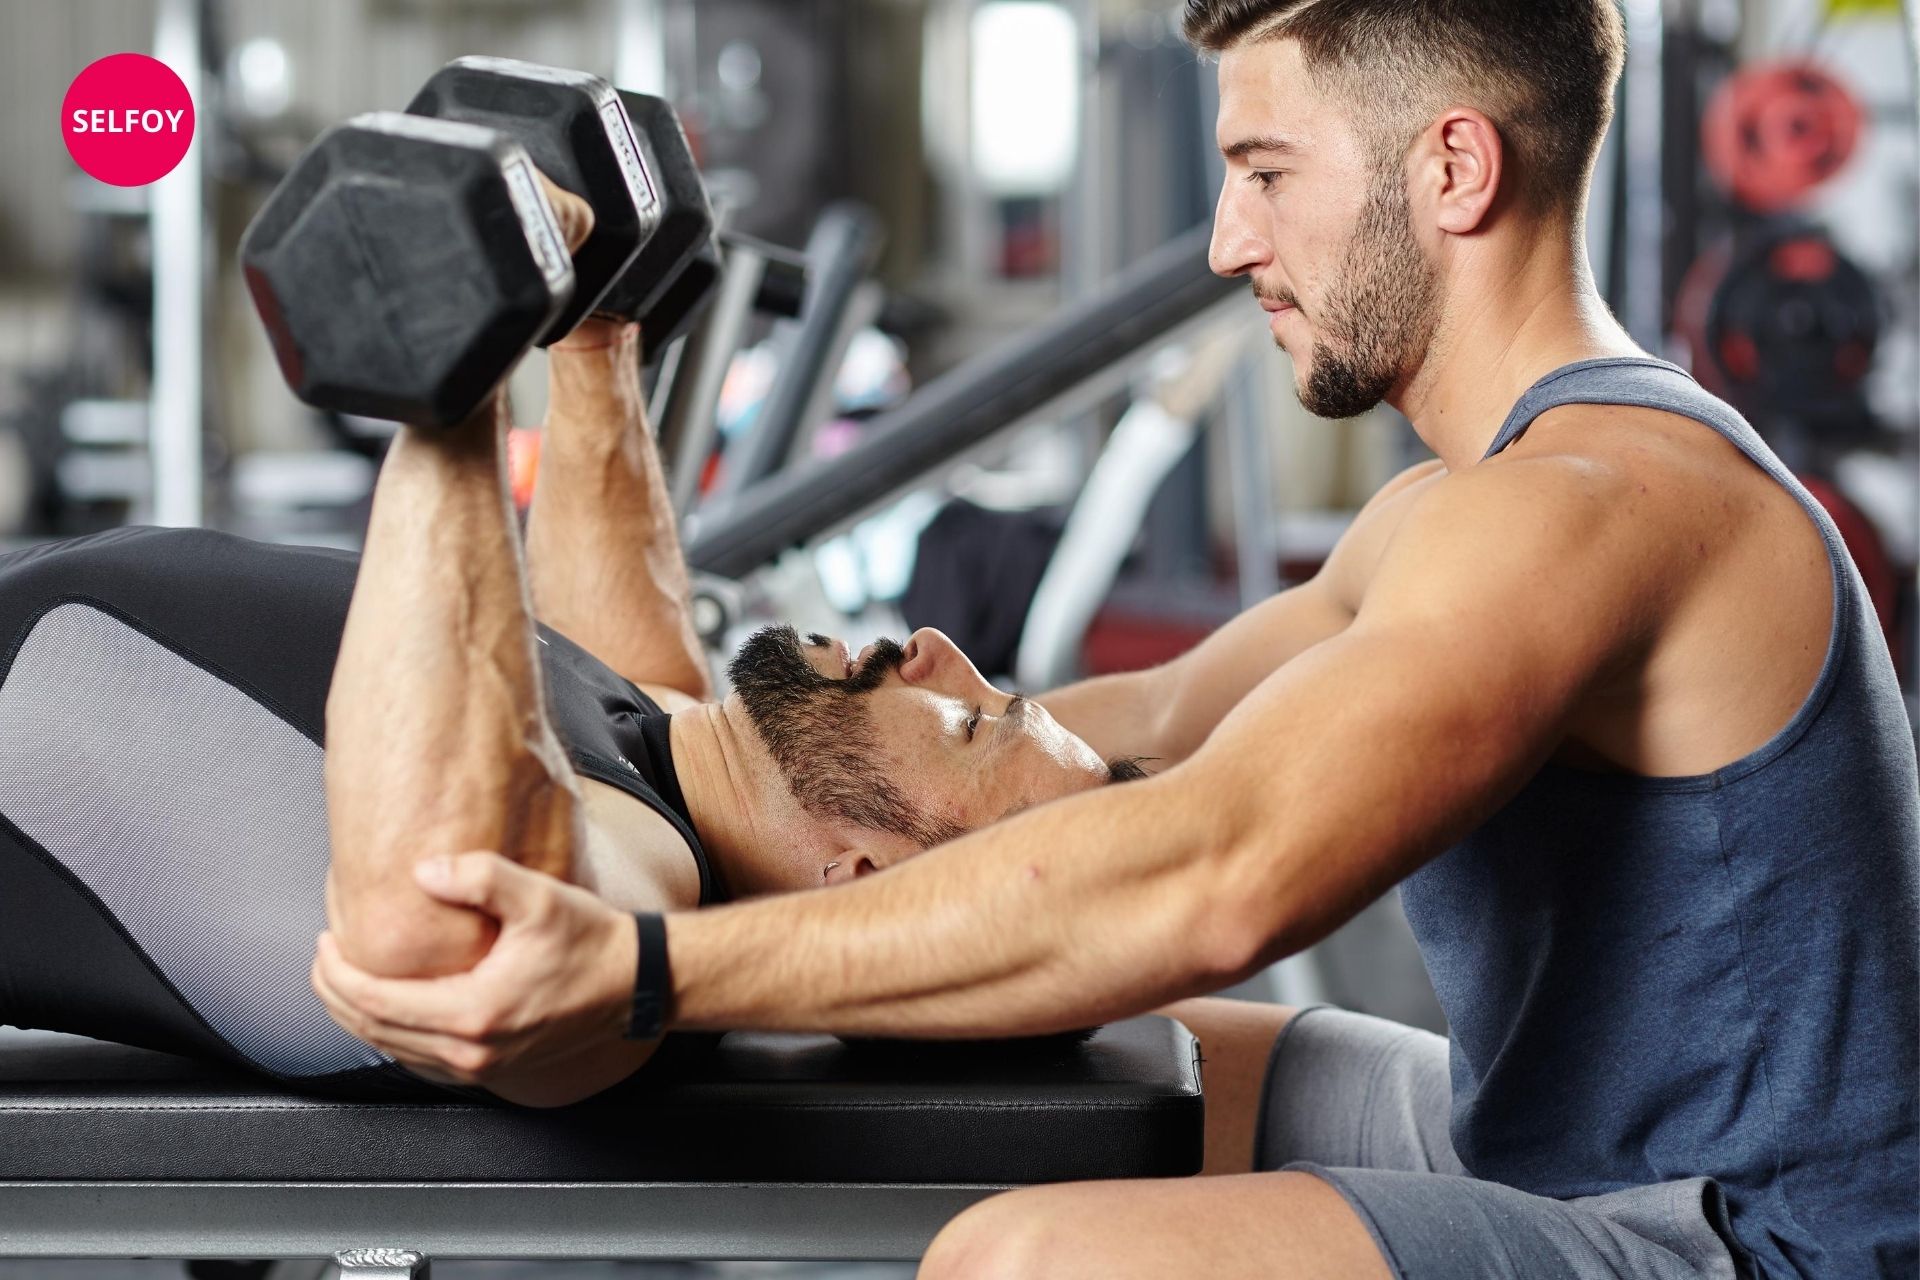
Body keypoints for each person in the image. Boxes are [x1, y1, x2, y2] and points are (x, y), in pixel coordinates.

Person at [313, 2, 1920, 1277]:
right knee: (1128, 1065)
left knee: (1034, 1261)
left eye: (1269, 173)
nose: (1229, 243)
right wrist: (710, 736)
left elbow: (1218, 872)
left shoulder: (1587, 507)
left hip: (1756, 1240)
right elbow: (1095, 749)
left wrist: (648, 969)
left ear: (1450, 170)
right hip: (1557, 1142)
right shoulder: (1461, 509)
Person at [0, 183, 1139, 1108]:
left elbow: (442, 930)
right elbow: (612, 611)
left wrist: (454, 370)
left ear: (864, 876)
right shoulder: (671, 759)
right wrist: (599, 319)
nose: (938, 647)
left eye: (974, 721)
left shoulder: (636, 901)